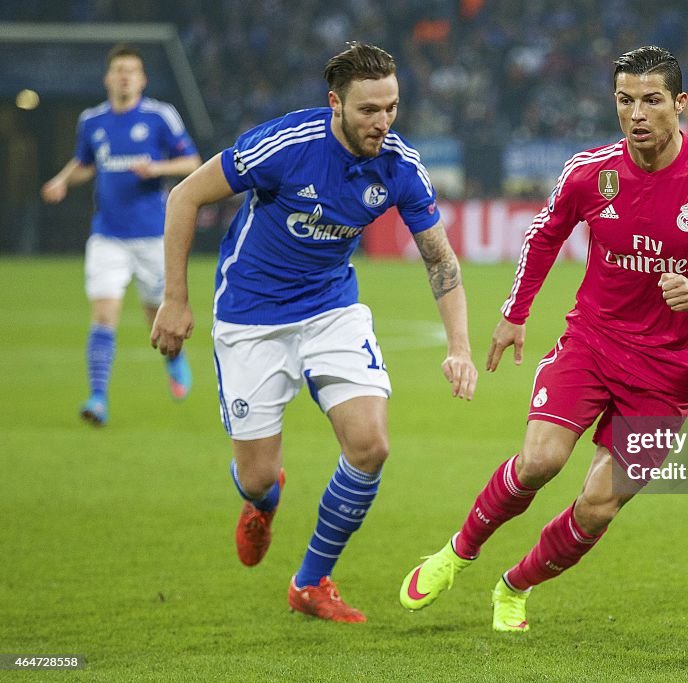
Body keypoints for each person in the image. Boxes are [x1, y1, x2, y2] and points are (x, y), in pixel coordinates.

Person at [399, 46, 688, 632]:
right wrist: (515, 313)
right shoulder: (590, 171)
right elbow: (544, 234)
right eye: (625, 100)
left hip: (669, 372)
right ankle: (457, 552)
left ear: (680, 103)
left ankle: (514, 587)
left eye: (652, 100)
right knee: (539, 461)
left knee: (599, 505)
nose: (637, 114)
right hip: (593, 343)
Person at [150, 42, 477, 623]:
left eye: (392, 108)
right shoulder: (285, 145)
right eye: (368, 110)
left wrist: (460, 348)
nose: (382, 122)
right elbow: (184, 196)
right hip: (251, 315)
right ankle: (263, 501)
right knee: (256, 478)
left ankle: (310, 581)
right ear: (335, 103)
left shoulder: (400, 166)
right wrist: (175, 300)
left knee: (371, 446)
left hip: (332, 309)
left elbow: (440, 260)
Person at [41, 44, 201, 426]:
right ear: (108, 78)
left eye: (132, 70)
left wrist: (157, 168)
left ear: (142, 79)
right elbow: (86, 163)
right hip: (107, 235)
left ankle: (174, 360)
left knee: (155, 315)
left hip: (152, 236)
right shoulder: (92, 120)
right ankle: (97, 398)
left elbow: (192, 162)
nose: (125, 76)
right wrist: (62, 180)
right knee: (103, 314)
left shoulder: (160, 116)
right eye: (119, 70)